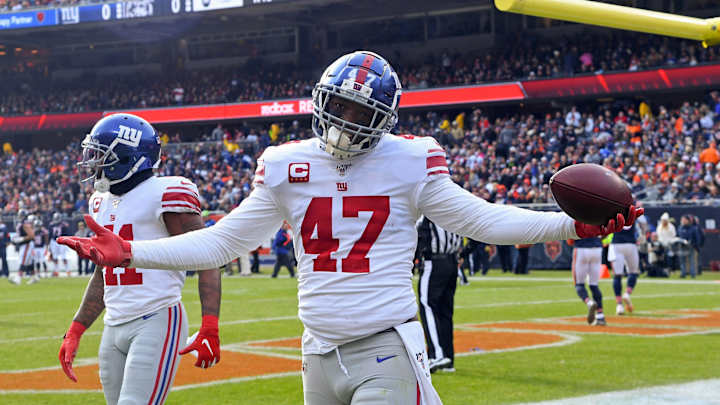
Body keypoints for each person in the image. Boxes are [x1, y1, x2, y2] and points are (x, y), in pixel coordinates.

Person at [61, 51, 641, 405]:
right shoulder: (287, 163)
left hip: (383, 342)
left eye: (360, 112)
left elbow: (482, 219)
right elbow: (224, 241)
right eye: (338, 105)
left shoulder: (410, 159)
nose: (344, 120)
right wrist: (131, 252)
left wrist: (570, 226)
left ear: (384, 118)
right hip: (317, 351)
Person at [57, 113, 222, 405]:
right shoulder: (100, 201)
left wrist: (210, 324)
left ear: (127, 156)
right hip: (113, 325)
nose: (93, 162)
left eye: (102, 155)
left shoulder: (167, 192)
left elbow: (207, 254)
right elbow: (103, 274)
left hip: (156, 317)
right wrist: (76, 329)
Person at [416, 216, 463, 373]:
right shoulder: (454, 211)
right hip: (452, 263)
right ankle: (448, 359)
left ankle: (437, 355)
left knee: (427, 306)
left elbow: (419, 233)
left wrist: (415, 259)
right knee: (445, 312)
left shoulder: (428, 214)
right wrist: (465, 253)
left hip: (433, 263)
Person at [569, 237, 606, 325]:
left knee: (579, 284)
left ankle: (589, 302)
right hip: (597, 249)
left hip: (581, 248)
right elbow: (605, 232)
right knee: (594, 285)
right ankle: (600, 316)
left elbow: (570, 240)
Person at [610, 221, 640, 315]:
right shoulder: (634, 212)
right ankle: (627, 293)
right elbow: (643, 224)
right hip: (630, 244)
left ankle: (619, 305)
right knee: (633, 272)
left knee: (617, 275)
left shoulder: (613, 212)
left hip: (616, 244)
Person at [10, 211, 36, 285]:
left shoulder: (25, 223)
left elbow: (31, 235)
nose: (19, 217)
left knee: (23, 261)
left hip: (26, 244)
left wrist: (21, 239)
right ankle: (34, 277)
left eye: (20, 215)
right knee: (29, 262)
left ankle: (18, 278)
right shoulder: (22, 223)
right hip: (24, 244)